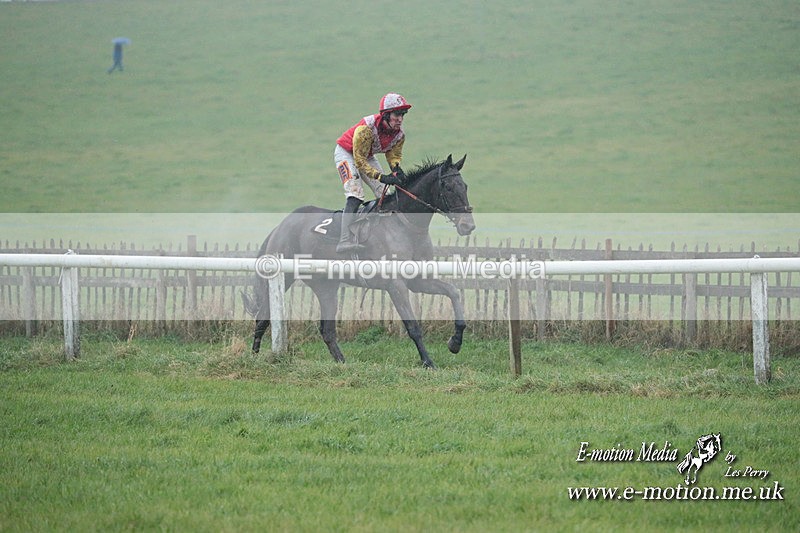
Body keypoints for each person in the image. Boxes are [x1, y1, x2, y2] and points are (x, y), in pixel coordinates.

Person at [334, 93, 411, 253]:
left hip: (366, 155)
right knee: (355, 193)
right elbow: (359, 161)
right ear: (386, 114)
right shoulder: (366, 129)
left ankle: (383, 235)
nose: (400, 119)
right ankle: (344, 240)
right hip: (347, 154)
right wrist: (382, 176)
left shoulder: (399, 134)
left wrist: (396, 170)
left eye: (402, 115)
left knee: (384, 193)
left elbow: (393, 154)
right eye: (397, 114)